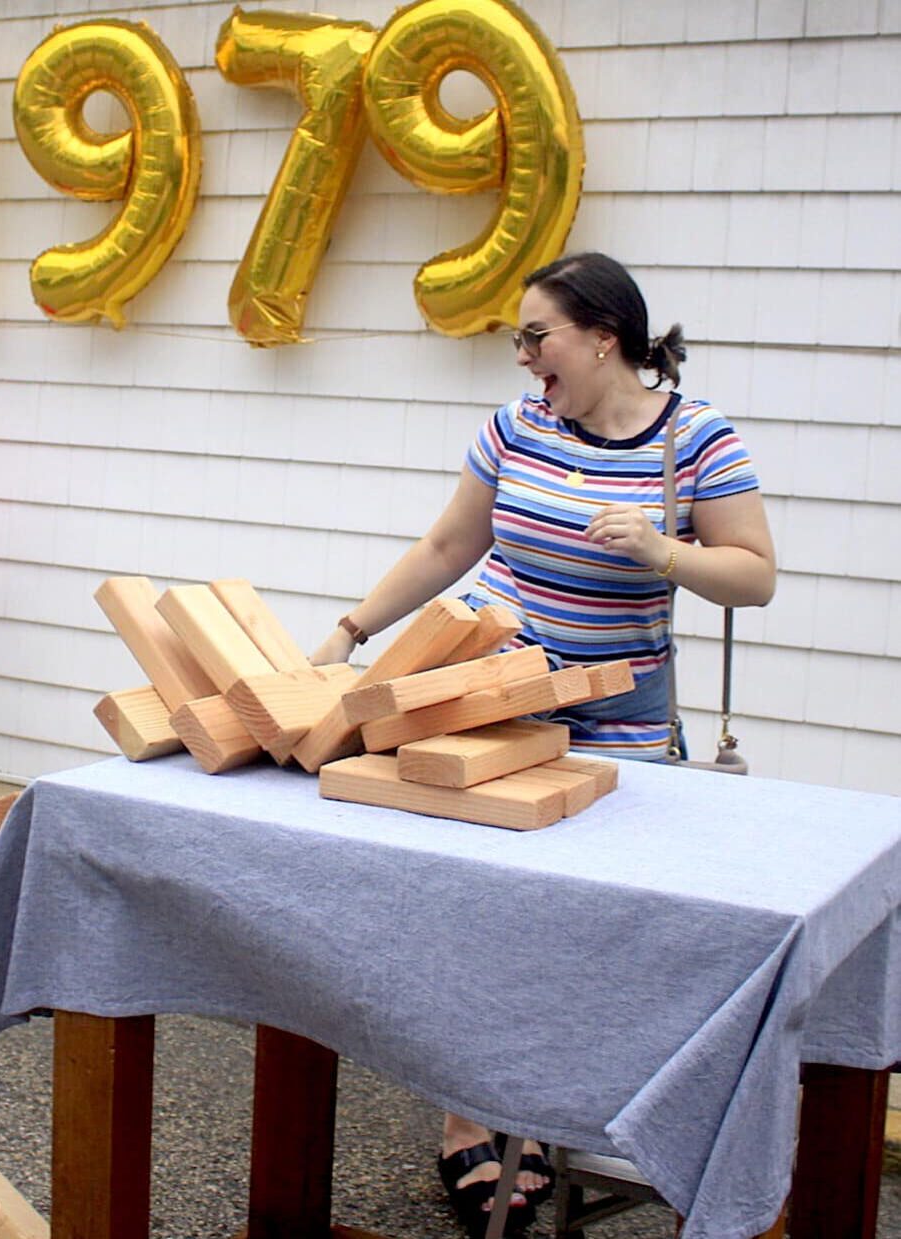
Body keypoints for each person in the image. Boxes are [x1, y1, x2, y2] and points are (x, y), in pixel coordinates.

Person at [306, 252, 776, 1235]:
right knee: (476, 919)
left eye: (536, 337)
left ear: (603, 336)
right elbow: (447, 549)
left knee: (586, 933)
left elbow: (752, 576)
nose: (522, 358)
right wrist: (351, 632)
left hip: (621, 725)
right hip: (492, 708)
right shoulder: (513, 430)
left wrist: (663, 551)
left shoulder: (695, 441)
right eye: (518, 340)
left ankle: (568, 1112)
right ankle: (467, 1123)